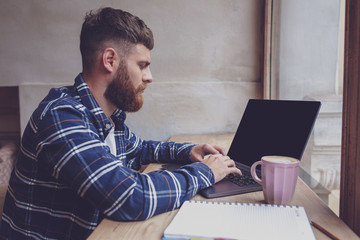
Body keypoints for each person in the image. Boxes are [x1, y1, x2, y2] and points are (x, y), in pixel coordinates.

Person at [0, 7, 241, 240]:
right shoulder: (62, 118)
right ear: (110, 60)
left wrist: (188, 151)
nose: (149, 77)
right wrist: (206, 172)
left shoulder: (106, 117)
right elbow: (129, 197)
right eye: (142, 65)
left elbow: (139, 149)